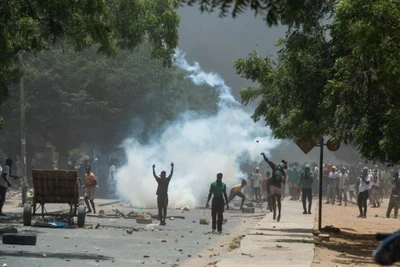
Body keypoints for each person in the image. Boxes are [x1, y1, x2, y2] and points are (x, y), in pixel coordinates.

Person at [261, 153, 287, 222]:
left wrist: (264, 155)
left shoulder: (274, 166)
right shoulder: (283, 172)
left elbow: (267, 161)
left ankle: (274, 212)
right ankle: (279, 214)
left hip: (272, 185)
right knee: (278, 201)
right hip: (278, 186)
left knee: (273, 199)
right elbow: (284, 182)